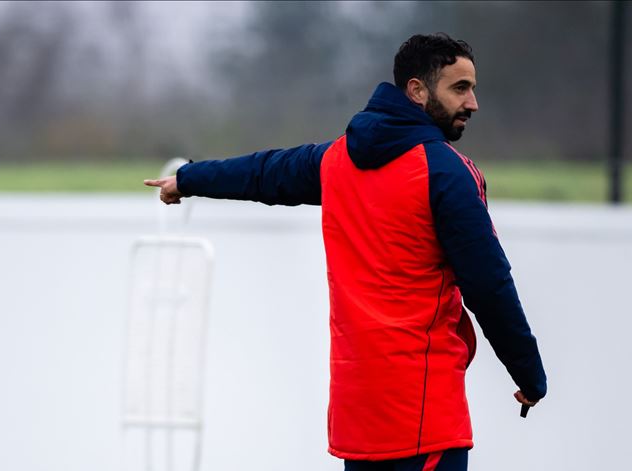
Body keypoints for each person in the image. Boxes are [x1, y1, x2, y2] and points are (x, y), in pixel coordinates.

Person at [143, 33, 546, 471]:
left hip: (357, 421)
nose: (473, 103)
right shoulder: (446, 172)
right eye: (460, 88)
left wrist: (189, 179)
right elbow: (489, 286)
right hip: (425, 420)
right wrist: (529, 375)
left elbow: (263, 173)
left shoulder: (336, 161)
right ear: (417, 90)